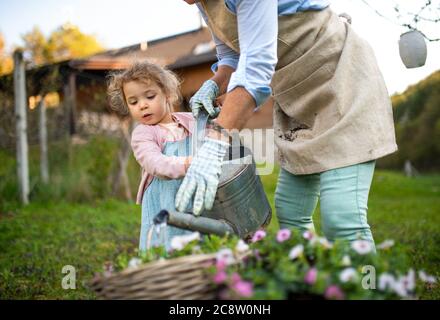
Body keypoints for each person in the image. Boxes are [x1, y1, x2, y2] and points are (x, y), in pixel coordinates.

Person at [177, 0, 399, 249]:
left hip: (342, 82)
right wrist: (214, 84)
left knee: (342, 219)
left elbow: (255, 67)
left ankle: (366, 287)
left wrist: (216, 140)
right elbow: (233, 55)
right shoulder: (203, 4)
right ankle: (311, 283)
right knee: (292, 213)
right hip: (297, 102)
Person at [107, 61, 195, 251]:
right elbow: (155, 164)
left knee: (198, 238)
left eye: (150, 96)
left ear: (168, 94)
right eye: (133, 102)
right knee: (166, 245)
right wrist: (189, 163)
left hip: (194, 194)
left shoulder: (189, 120)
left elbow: (211, 133)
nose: (143, 105)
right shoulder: (144, 134)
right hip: (165, 200)